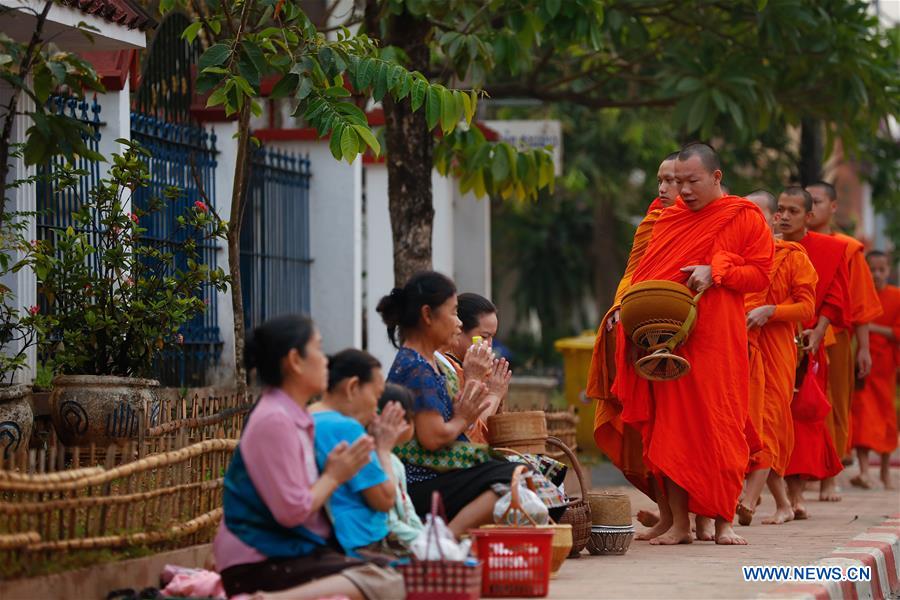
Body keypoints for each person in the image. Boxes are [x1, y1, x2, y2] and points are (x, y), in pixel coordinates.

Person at [612, 143, 773, 545]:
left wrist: (716, 270)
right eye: (676, 181)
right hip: (670, 340)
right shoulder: (668, 221)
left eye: (691, 181)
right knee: (673, 430)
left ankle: (723, 522)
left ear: (716, 178)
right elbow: (645, 276)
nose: (682, 190)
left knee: (722, 425)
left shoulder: (743, 216)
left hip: (718, 339)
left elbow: (760, 275)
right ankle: (681, 524)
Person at [213, 315, 403, 599]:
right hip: (257, 561)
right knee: (387, 583)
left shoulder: (293, 415)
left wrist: (334, 473)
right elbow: (292, 511)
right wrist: (334, 475)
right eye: (318, 348)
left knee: (398, 575)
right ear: (295, 360)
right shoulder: (274, 419)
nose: (325, 359)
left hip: (288, 550)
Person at [377, 271, 520, 538]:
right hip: (421, 479)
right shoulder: (415, 367)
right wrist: (462, 418)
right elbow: (433, 438)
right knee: (510, 476)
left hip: (438, 472)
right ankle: (440, 543)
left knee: (514, 472)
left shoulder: (429, 363)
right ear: (428, 315)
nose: (457, 323)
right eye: (453, 313)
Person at [587, 151, 680, 535]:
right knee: (653, 428)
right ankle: (672, 516)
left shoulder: (719, 220)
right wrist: (621, 307)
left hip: (695, 334)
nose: (664, 188)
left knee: (697, 428)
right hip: (647, 332)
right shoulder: (654, 220)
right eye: (661, 179)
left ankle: (710, 518)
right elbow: (633, 274)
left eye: (674, 180)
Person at [740, 190, 817, 526]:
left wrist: (771, 311)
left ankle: (747, 499)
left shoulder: (792, 255)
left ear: (771, 218)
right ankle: (783, 504)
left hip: (776, 350)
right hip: (740, 349)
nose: (748, 220)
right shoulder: (735, 256)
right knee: (746, 426)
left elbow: (807, 308)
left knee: (767, 422)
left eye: (756, 213)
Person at [806, 181, 882, 501]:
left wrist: (863, 348)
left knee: (833, 405)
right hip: (796, 335)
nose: (810, 208)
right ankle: (798, 473)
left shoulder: (848, 248)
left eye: (817, 202)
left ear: (833, 207)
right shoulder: (790, 244)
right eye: (805, 202)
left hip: (835, 339)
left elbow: (860, 302)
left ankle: (829, 476)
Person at [776, 188, 848, 519]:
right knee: (773, 419)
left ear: (808, 217)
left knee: (804, 417)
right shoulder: (767, 247)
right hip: (773, 342)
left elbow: (835, 299)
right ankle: (778, 496)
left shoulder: (831, 250)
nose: (786, 216)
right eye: (781, 209)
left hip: (810, 345)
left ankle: (796, 495)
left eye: (793, 211)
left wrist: (817, 334)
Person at [309, 349, 407, 558]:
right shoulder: (345, 428)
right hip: (360, 543)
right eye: (376, 395)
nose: (375, 411)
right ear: (353, 387)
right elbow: (385, 499)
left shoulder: (306, 418)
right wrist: (383, 449)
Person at [850, 251, 899, 490]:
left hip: (885, 366)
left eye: (882, 270)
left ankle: (884, 471)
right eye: (872, 269)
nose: (877, 274)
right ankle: (863, 471)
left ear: (889, 270)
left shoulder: (897, 296)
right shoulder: (859, 296)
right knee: (862, 417)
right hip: (862, 368)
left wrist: (870, 326)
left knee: (887, 416)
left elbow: (898, 332)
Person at [443, 293, 512, 443]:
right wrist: (494, 394)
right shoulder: (448, 368)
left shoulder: (471, 366)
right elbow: (473, 431)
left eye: (492, 337)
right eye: (484, 336)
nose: (489, 345)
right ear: (459, 331)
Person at [378, 383, 426, 548]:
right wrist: (423, 541)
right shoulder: (378, 458)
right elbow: (389, 522)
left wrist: (425, 537)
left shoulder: (395, 462)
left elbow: (408, 511)